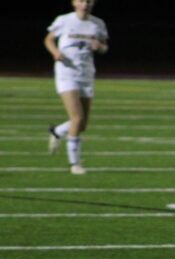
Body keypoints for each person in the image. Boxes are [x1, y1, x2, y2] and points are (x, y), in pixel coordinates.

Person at [45, 0, 108, 175]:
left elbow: (104, 48)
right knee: (77, 117)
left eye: (88, 1)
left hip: (86, 75)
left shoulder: (98, 23)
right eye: (81, 0)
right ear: (73, 3)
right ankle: (74, 164)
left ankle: (57, 131)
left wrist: (100, 47)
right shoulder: (64, 20)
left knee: (82, 124)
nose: (85, 4)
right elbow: (49, 39)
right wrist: (55, 52)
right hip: (67, 74)